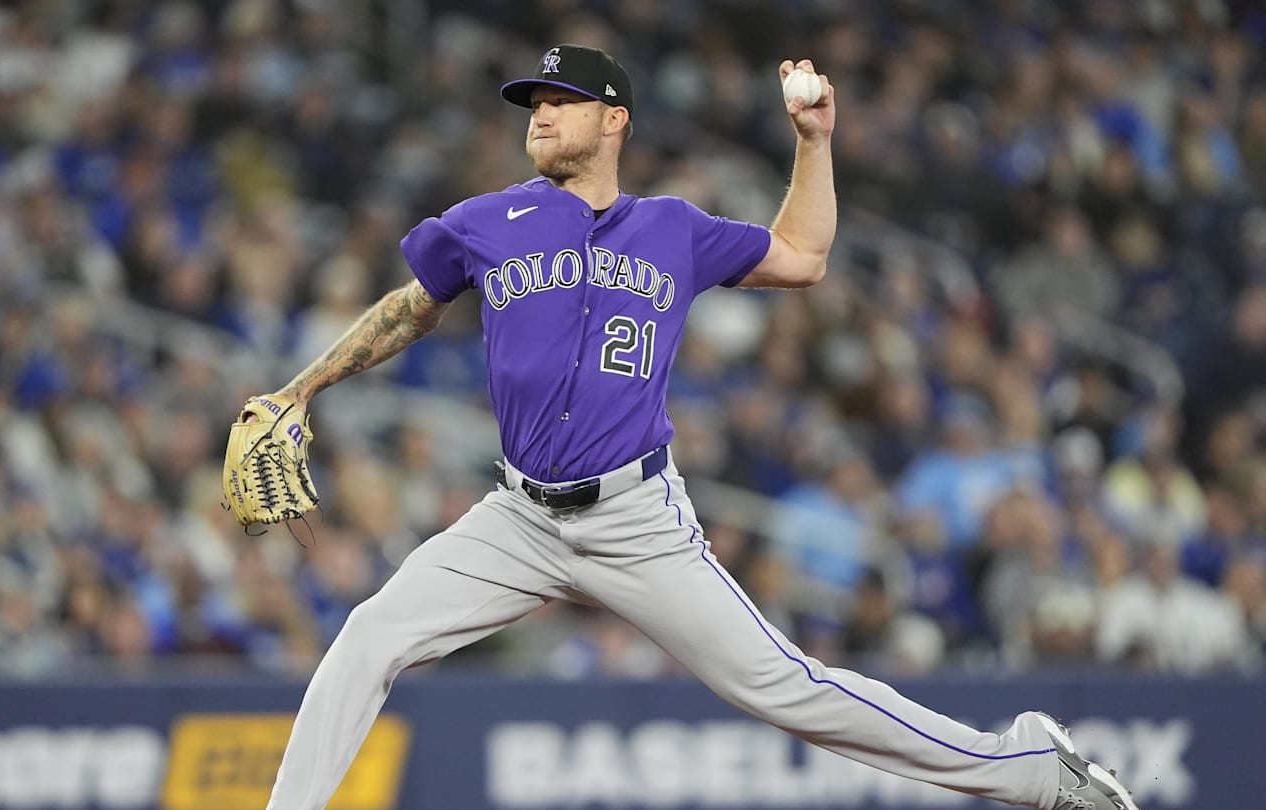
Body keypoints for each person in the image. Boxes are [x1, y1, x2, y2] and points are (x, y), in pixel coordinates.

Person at [256, 44, 1139, 810]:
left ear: (615, 122)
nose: (541, 114)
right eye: (534, 102)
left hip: (636, 518)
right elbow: (409, 309)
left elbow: (804, 256)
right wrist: (299, 391)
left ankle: (1025, 771)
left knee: (791, 692)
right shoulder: (489, 220)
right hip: (517, 517)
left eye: (561, 102)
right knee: (370, 637)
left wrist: (814, 142)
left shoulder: (672, 227)